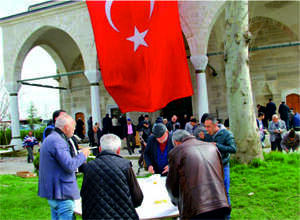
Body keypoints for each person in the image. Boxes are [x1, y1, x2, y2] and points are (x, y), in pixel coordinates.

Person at [166, 130, 231, 219]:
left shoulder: (177, 152)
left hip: (196, 208)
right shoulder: (212, 147)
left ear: (176, 142)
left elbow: (172, 184)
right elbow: (221, 175)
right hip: (220, 203)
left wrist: (175, 201)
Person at [38, 114, 90, 219]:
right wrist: (83, 155)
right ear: (66, 127)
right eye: (73, 126)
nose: (75, 129)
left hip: (54, 192)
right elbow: (69, 165)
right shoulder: (58, 141)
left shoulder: (51, 138)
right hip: (62, 193)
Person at [81, 134, 143, 219]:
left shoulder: (88, 167)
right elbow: (137, 198)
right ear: (118, 151)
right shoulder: (125, 166)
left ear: (100, 149)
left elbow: (84, 196)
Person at [204, 114, 236, 217]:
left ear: (215, 125)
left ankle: (227, 216)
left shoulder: (226, 134)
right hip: (211, 167)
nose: (206, 129)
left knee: (224, 192)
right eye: (205, 126)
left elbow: (233, 149)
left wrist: (217, 146)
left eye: (208, 127)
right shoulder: (208, 135)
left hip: (223, 166)